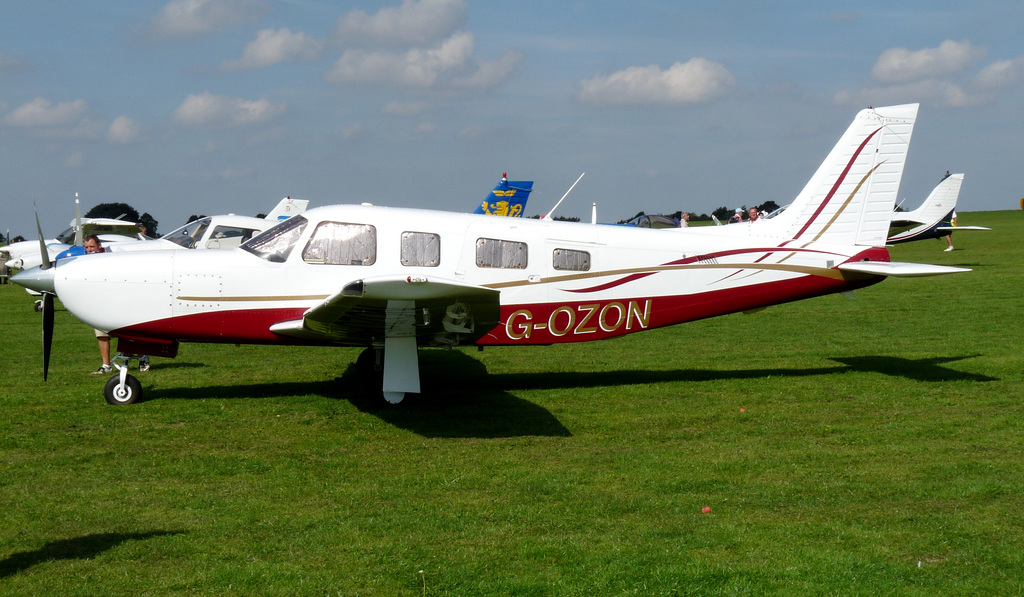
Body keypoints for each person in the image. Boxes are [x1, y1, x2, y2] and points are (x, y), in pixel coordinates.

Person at [83, 235, 150, 373]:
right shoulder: (86, 261)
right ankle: (106, 366)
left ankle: (143, 359)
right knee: (101, 334)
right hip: (102, 301)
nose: (89, 250)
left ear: (99, 245)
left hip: (121, 299)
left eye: (92, 247)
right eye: (87, 247)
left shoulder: (115, 252)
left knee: (129, 333)